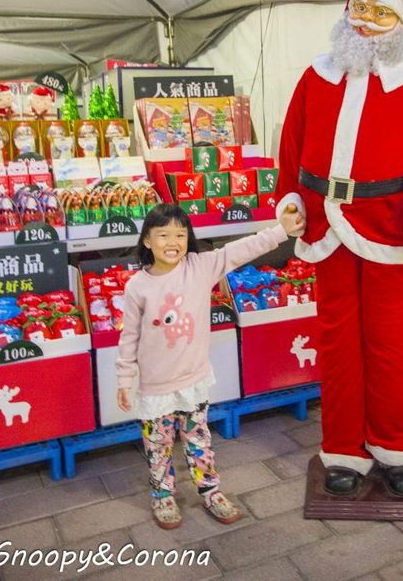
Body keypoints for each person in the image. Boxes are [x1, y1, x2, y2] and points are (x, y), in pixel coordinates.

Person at [276, 0, 403, 498]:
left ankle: (394, 445)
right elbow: (291, 142)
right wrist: (288, 198)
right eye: (362, 9)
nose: (368, 22)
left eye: (382, 13)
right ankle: (344, 449)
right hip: (326, 224)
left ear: (401, 21)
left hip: (390, 230)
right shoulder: (316, 75)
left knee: (390, 343)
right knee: (337, 342)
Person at [116, 201, 305, 529]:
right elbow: (128, 337)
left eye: (180, 234)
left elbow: (241, 249)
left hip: (194, 381)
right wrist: (124, 378)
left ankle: (210, 490)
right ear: (147, 240)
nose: (173, 242)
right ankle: (163, 496)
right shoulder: (138, 287)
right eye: (163, 235)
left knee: (198, 439)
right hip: (156, 387)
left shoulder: (200, 266)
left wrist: (281, 231)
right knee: (158, 445)